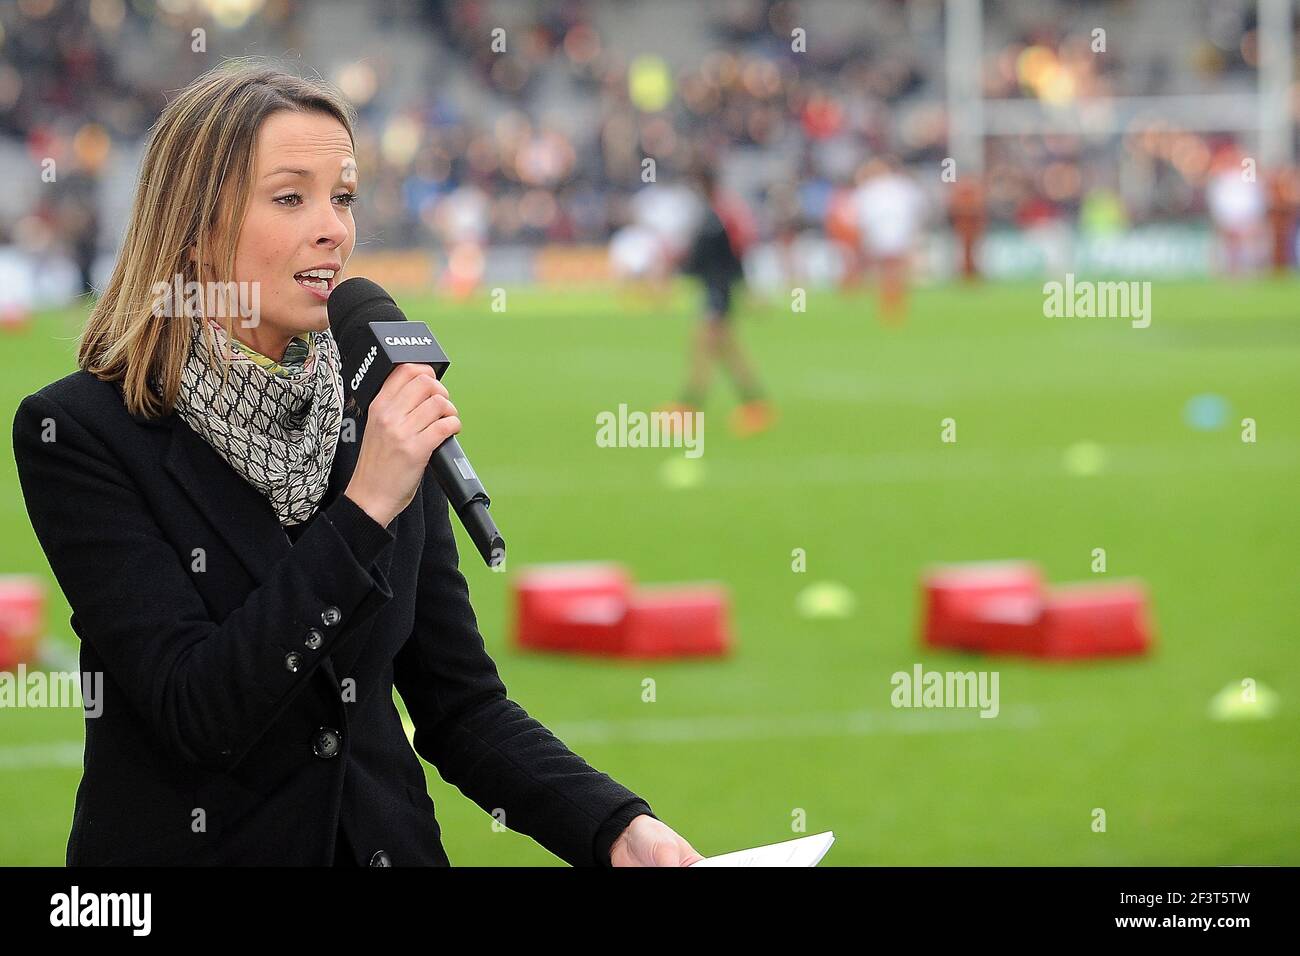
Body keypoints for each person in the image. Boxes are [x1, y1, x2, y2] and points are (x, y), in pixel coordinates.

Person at [11, 62, 701, 868]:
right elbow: (198, 708)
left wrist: (616, 827)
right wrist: (367, 503)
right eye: (290, 197)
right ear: (194, 228)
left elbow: (459, 703)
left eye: (342, 196)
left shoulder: (375, 401)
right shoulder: (80, 432)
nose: (333, 227)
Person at [664, 167, 774, 437]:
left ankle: (691, 408)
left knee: (707, 347)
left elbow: (735, 253)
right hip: (714, 287)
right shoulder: (716, 213)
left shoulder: (720, 215)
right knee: (722, 349)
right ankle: (753, 405)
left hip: (719, 289)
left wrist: (746, 289)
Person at [850, 156, 926, 324]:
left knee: (889, 269)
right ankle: (892, 303)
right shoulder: (900, 186)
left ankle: (892, 303)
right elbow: (918, 207)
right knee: (891, 269)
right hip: (892, 231)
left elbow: (861, 214)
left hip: (888, 231)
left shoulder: (874, 188)